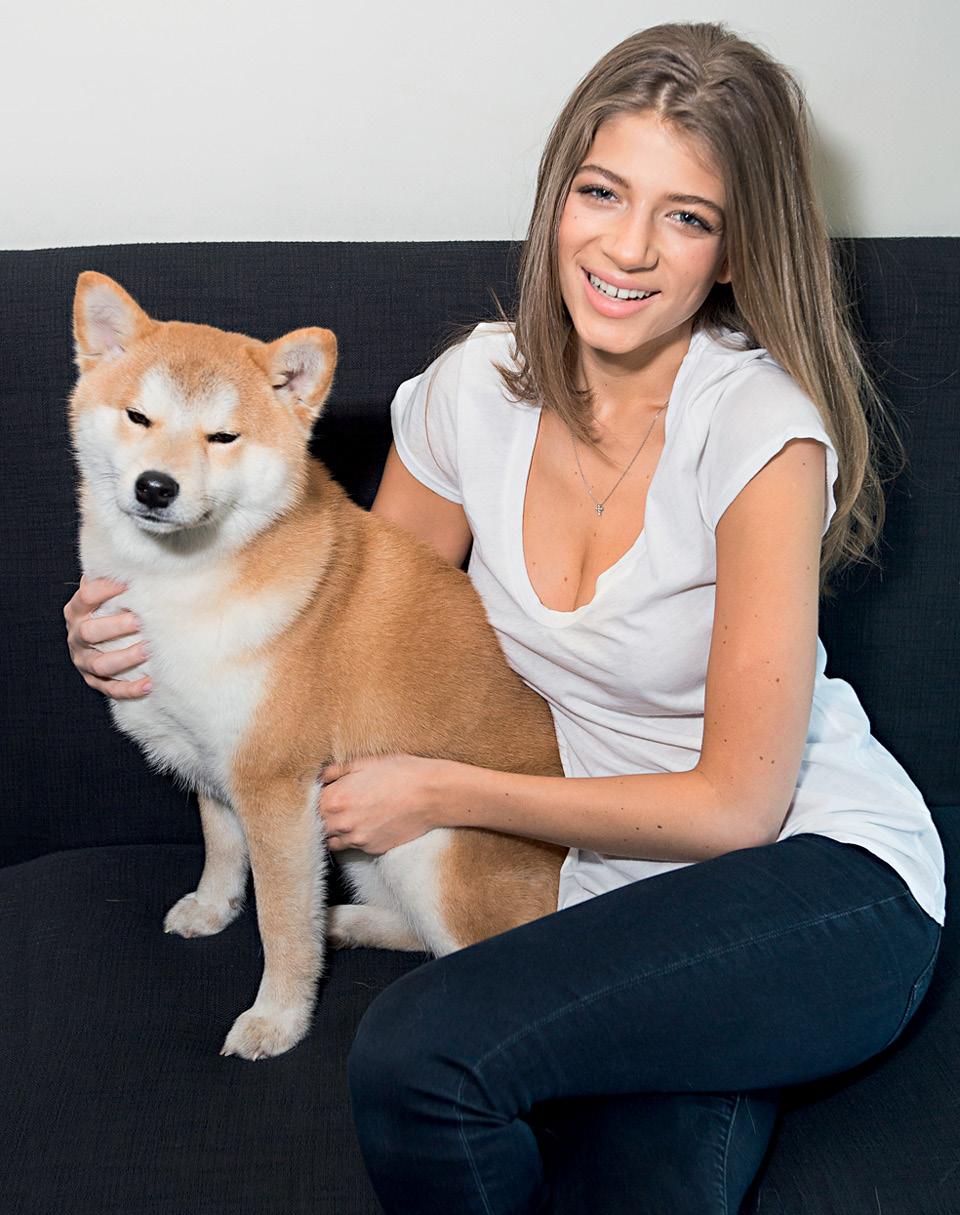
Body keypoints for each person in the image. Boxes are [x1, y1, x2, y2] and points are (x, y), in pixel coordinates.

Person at [64, 20, 945, 1215]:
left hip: (813, 879)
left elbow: (739, 810)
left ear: (737, 250)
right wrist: (129, 622)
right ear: (557, 196)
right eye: (602, 192)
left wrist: (443, 791)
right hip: (611, 896)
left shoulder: (759, 434)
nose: (628, 247)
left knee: (416, 1054)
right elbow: (347, 626)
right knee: (633, 1187)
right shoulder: (473, 390)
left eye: (688, 216)